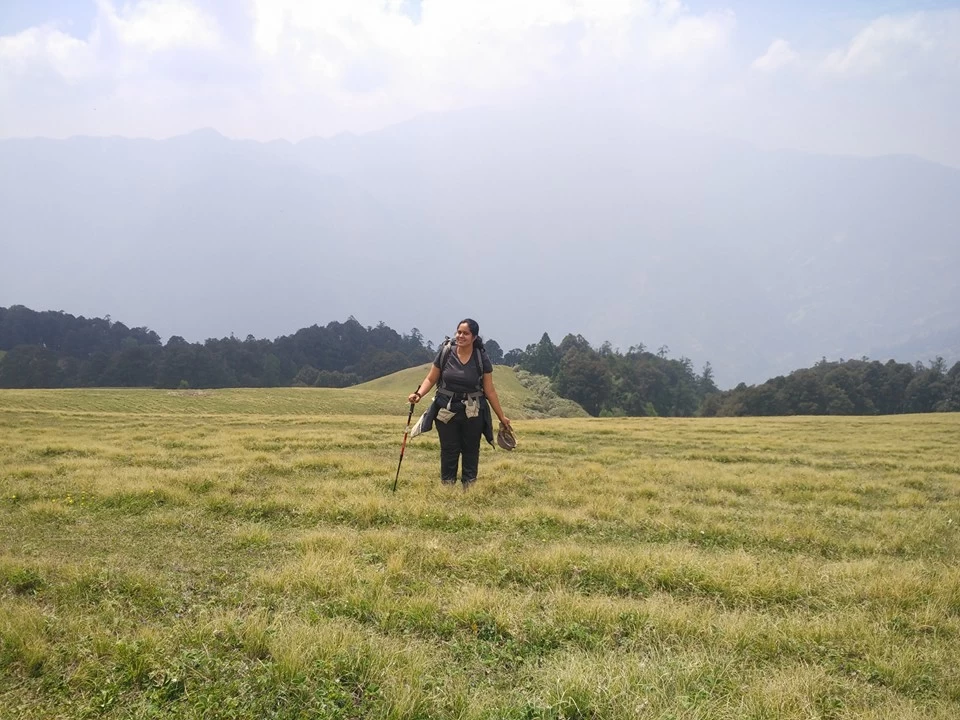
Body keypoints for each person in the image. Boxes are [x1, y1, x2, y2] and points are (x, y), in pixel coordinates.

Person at [408, 319, 512, 488]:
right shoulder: (446, 352)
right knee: (449, 449)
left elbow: (490, 390)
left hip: (473, 412)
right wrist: (419, 394)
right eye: (459, 332)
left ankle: (469, 487)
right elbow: (431, 378)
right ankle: (447, 486)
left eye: (465, 333)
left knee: (471, 449)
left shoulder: (480, 357)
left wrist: (502, 417)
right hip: (445, 409)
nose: (460, 336)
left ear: (474, 337)